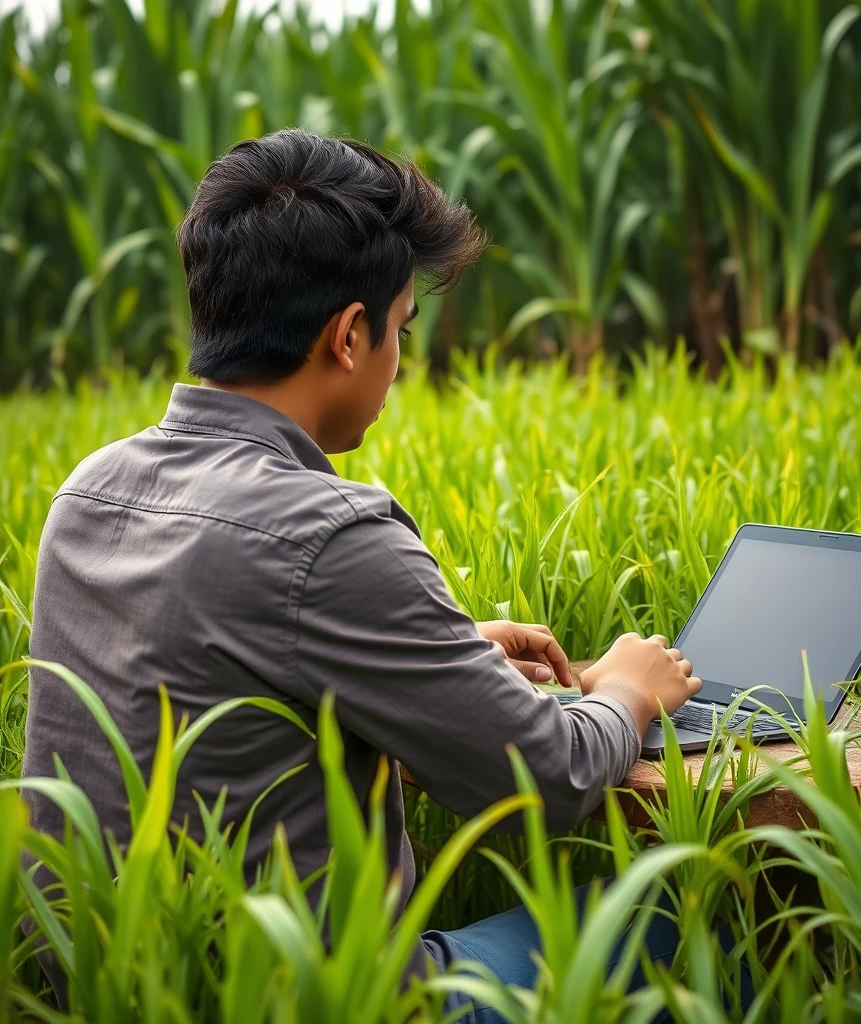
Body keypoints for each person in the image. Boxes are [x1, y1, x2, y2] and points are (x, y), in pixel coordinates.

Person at [22, 130, 704, 1019]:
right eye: (402, 332)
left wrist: (441, 657)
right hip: (311, 1000)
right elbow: (547, 775)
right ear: (349, 335)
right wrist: (626, 690)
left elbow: (210, 677)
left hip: (103, 988)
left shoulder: (90, 492)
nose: (396, 362)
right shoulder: (329, 531)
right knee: (680, 917)